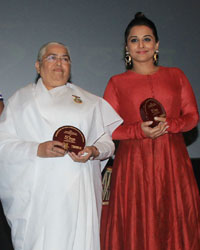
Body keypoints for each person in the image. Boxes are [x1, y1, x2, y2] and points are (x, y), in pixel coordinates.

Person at [0, 41, 122, 250]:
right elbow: (3, 144)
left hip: (79, 195)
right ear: (38, 66)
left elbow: (108, 144)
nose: (59, 63)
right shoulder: (21, 101)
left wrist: (93, 151)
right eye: (52, 57)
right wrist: (37, 149)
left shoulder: (89, 102)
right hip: (38, 199)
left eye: (65, 58)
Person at [102, 12, 200, 250]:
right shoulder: (116, 82)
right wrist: (138, 131)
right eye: (134, 40)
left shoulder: (176, 75)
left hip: (172, 162)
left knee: (176, 220)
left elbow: (192, 117)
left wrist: (171, 125)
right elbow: (109, 129)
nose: (141, 45)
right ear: (126, 47)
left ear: (156, 44)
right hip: (134, 164)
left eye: (147, 39)